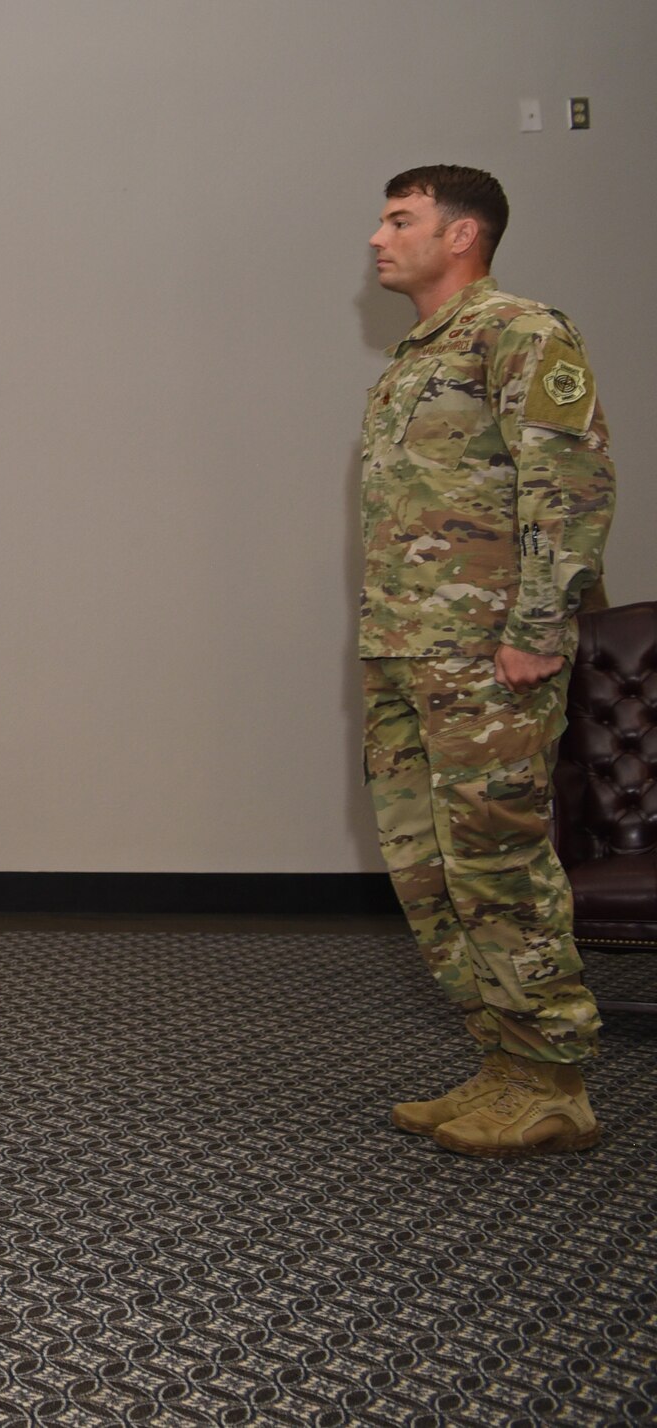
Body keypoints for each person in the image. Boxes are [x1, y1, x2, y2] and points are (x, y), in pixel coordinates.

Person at [361, 165, 615, 1156]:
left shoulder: (525, 331)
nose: (377, 238)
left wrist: (537, 628)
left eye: (398, 220)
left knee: (498, 863)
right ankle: (502, 1060)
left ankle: (553, 1078)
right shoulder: (413, 355)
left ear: (459, 235)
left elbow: (571, 482)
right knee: (429, 869)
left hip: (486, 656)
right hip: (406, 650)